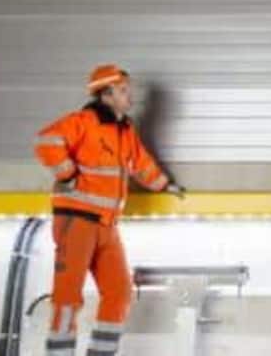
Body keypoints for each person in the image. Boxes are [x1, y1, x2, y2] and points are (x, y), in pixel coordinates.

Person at [33, 64, 184, 356]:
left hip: (106, 225)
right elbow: (45, 140)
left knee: (119, 292)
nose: (131, 98)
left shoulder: (125, 130)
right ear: (106, 93)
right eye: (124, 91)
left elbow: (141, 164)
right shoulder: (83, 122)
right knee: (68, 298)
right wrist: (67, 174)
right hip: (76, 221)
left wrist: (165, 185)